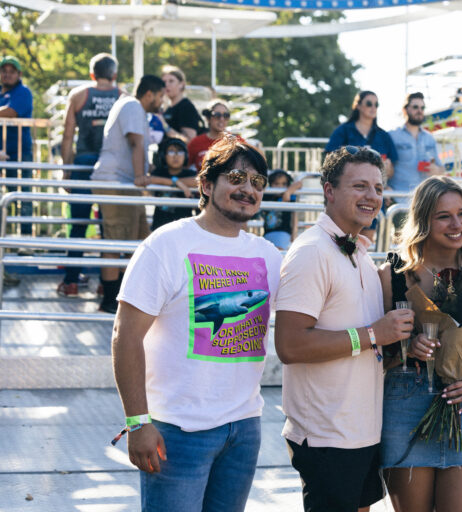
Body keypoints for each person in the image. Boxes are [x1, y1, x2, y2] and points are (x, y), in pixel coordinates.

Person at [112, 136, 281, 511]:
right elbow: (125, 335)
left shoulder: (268, 256)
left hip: (244, 428)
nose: (247, 189)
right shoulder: (166, 244)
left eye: (257, 182)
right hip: (176, 431)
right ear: (206, 184)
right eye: (236, 177)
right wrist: (138, 422)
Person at [274, 146, 414, 512]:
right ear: (329, 190)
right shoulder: (311, 252)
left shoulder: (362, 254)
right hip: (325, 437)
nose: (372, 197)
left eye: (378, 188)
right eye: (360, 186)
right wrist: (372, 335)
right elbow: (289, 345)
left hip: (362, 432)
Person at [378, 176, 462, 511]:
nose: (456, 224)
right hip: (404, 404)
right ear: (424, 221)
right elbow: (372, 352)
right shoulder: (392, 274)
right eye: (444, 216)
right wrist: (405, 349)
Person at [91, 74, 165, 314]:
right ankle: (109, 301)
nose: (162, 101)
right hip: (118, 182)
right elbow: (136, 143)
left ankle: (123, 297)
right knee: (116, 240)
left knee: (137, 239)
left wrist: (144, 171)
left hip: (124, 182)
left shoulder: (131, 107)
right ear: (150, 94)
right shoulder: (133, 105)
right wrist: (140, 177)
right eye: (161, 95)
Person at [57, 52, 123, 297]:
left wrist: (66, 170)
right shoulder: (122, 97)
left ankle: (72, 282)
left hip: (83, 164)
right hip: (110, 165)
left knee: (79, 224)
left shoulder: (78, 95)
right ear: (114, 75)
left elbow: (67, 137)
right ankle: (107, 286)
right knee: (109, 225)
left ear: (92, 74)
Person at [387, 92, 445, 211]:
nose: (419, 110)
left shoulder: (429, 138)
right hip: (399, 201)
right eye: (415, 107)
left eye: (422, 108)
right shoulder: (392, 136)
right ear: (405, 110)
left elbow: (442, 170)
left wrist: (436, 170)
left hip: (425, 201)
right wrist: (385, 187)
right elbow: (383, 166)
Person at [325, 90, 397, 180]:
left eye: (376, 104)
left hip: (376, 187)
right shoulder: (342, 131)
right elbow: (329, 160)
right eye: (369, 104)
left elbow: (391, 170)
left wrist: (388, 169)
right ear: (358, 105)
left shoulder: (384, 135)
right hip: (348, 185)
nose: (373, 107)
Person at [0, 55, 34, 236]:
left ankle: (25, 239)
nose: (7, 75)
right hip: (1, 153)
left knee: (23, 195)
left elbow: (11, 112)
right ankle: (3, 240)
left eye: (11, 72)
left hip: (19, 153)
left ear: (19, 74)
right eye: (4, 71)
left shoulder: (23, 92)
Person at [148, 137, 197, 230]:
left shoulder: (190, 173)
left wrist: (171, 181)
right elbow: (149, 179)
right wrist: (176, 182)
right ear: (164, 156)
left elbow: (199, 181)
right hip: (160, 226)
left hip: (184, 227)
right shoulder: (159, 172)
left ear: (186, 156)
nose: (175, 156)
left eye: (180, 152)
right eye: (171, 151)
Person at [261, 169, 302, 249]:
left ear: (287, 185)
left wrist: (288, 192)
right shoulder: (267, 195)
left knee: (279, 252)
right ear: (271, 184)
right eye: (276, 183)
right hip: (267, 233)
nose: (280, 187)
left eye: (283, 184)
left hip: (283, 233)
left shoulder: (290, 196)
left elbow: (299, 184)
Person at [161, 65, 204, 142]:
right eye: (164, 82)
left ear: (182, 84)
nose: (167, 85)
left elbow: (190, 141)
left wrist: (164, 125)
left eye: (171, 81)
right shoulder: (167, 108)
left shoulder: (186, 107)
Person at [187, 100, 232, 171]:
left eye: (226, 115)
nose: (222, 119)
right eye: (217, 115)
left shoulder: (236, 141)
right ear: (208, 118)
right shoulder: (196, 142)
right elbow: (184, 169)